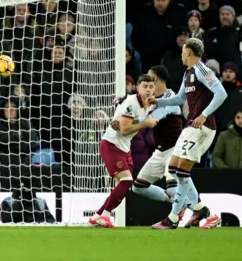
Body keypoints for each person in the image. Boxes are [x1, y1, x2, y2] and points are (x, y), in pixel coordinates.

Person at [150, 38, 226, 229]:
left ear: (189, 53)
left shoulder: (202, 70)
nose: (181, 54)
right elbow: (178, 99)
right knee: (175, 169)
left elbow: (221, 93)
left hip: (202, 127)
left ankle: (173, 218)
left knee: (182, 170)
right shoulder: (188, 73)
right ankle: (201, 211)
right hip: (190, 126)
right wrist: (157, 102)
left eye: (183, 51)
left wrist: (204, 114)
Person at [89, 74, 158, 228]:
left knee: (126, 184)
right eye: (144, 86)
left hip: (124, 147)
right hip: (111, 144)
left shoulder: (151, 104)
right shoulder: (131, 103)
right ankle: (106, 215)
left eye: (150, 87)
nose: (148, 90)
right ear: (137, 87)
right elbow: (125, 129)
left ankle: (97, 216)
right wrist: (145, 123)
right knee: (126, 181)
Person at [130, 66, 185, 206]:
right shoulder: (153, 99)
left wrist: (126, 115)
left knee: (173, 188)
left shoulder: (171, 99)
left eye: (149, 78)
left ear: (155, 79)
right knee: (138, 187)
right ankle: (177, 203)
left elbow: (151, 120)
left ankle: (203, 213)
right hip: (160, 152)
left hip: (175, 150)